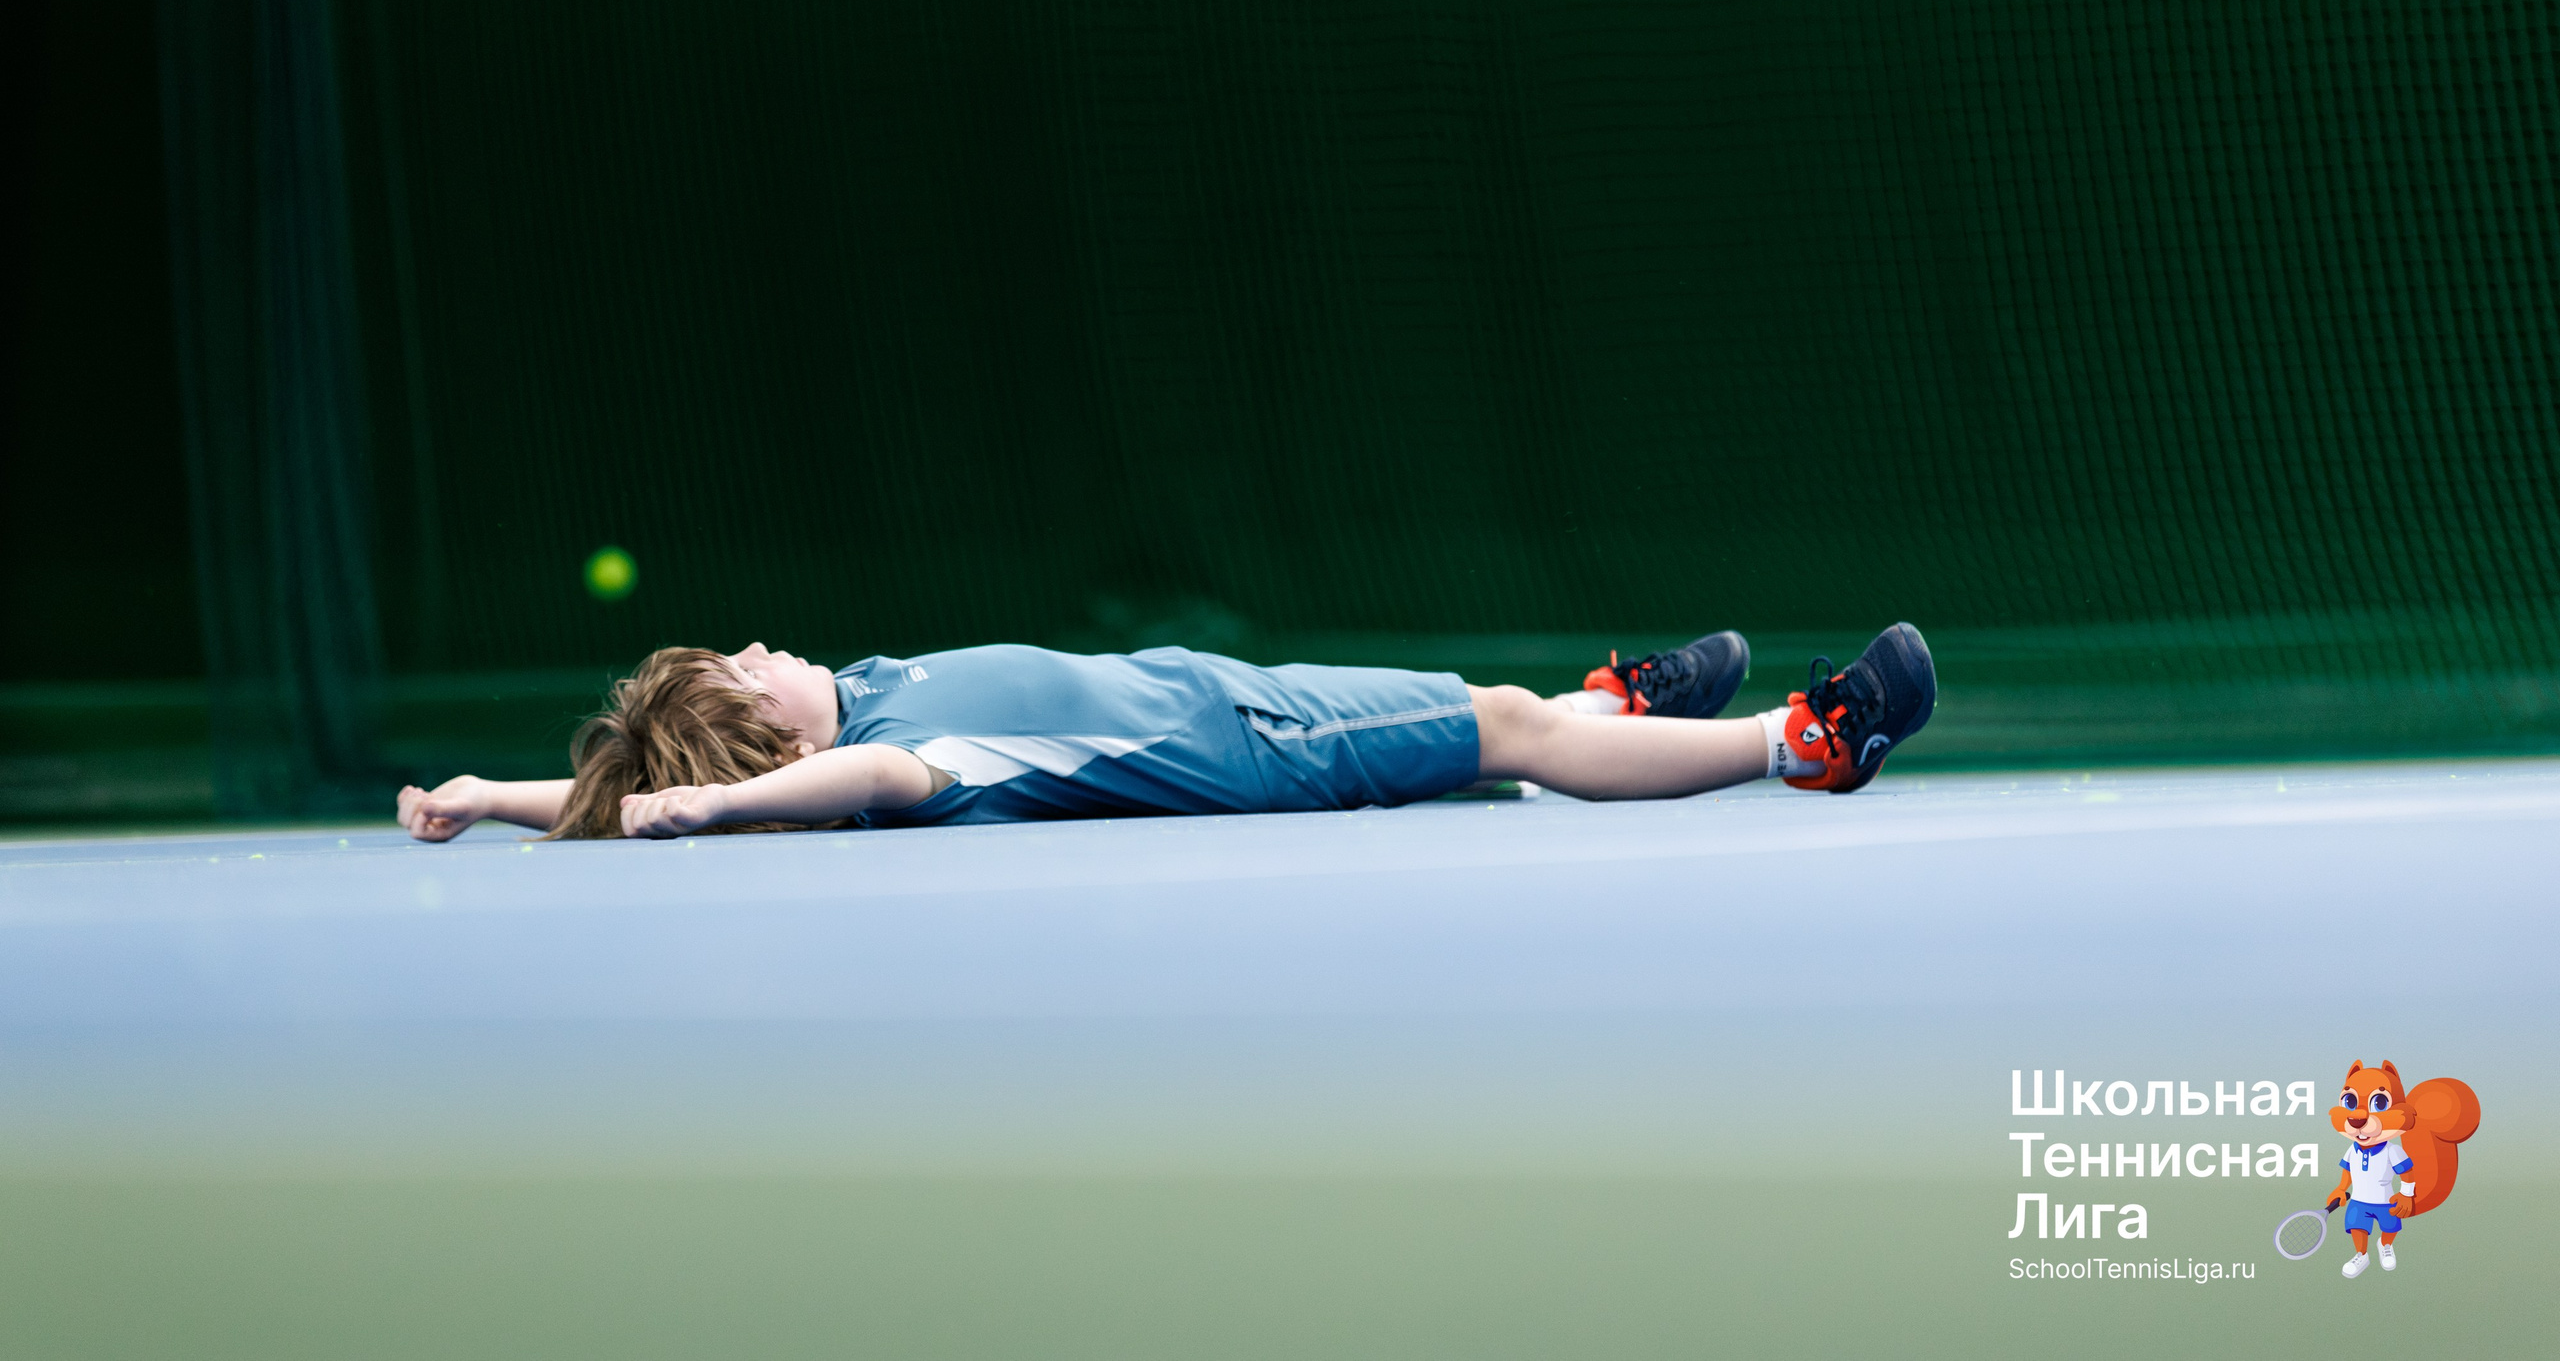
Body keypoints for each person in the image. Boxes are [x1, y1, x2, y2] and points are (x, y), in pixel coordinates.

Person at [395, 625, 1937, 843]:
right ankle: (1803, 744)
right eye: (748, 668)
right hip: (1253, 745)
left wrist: (496, 793)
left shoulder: (864, 690)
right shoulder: (887, 768)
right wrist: (712, 815)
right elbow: (839, 781)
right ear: (759, 744)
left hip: (1225, 680)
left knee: (1512, 712)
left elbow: (620, 781)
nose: (763, 645)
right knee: (1509, 731)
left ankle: (1622, 707)